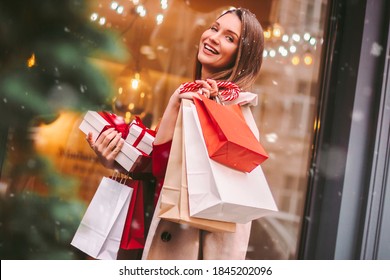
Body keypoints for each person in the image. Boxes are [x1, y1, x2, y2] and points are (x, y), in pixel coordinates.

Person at [87, 7, 265, 260]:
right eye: (214, 28)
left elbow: (173, 173)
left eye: (229, 37)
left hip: (182, 248)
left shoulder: (231, 111)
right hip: (149, 229)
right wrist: (115, 158)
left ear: (243, 56)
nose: (214, 37)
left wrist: (175, 104)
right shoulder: (192, 96)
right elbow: (163, 169)